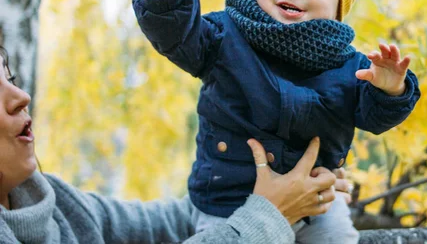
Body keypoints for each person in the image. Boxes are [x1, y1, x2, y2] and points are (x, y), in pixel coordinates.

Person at [133, 0, 421, 243]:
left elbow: (375, 117)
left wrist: (390, 89)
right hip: (227, 203)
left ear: (340, 8)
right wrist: (166, 0)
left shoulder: (350, 65)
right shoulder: (224, 35)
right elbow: (180, 37)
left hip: (316, 207)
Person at [0, 45, 353, 243]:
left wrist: (283, 186)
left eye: (9, 76)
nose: (20, 96)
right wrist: (269, 213)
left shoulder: (49, 203)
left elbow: (160, 224)